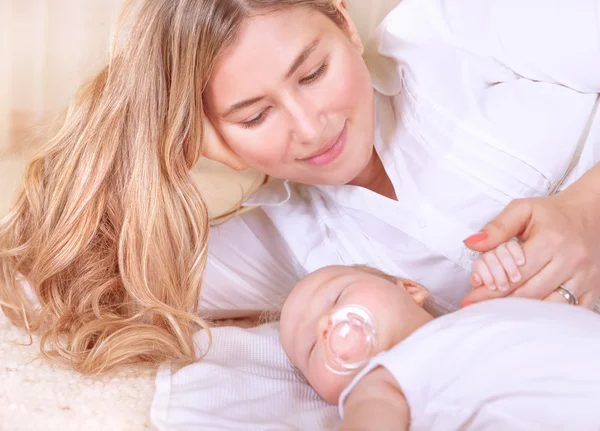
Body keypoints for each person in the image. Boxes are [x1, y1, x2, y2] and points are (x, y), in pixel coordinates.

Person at [1, 0, 599, 374]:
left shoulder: (449, 38)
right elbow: (39, 280)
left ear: (342, 20)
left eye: (314, 72)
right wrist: (158, 143)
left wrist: (586, 210)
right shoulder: (281, 242)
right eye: (254, 116)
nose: (312, 128)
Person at [279, 264, 600, 430]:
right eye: (309, 349)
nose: (324, 326)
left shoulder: (491, 309)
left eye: (336, 297)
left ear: (409, 289)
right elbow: (369, 422)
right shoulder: (381, 380)